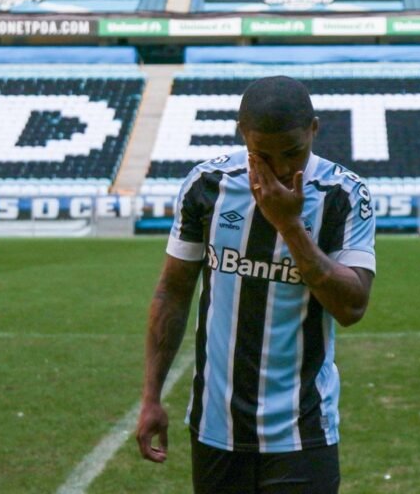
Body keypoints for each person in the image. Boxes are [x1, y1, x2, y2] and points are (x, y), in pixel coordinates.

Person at [136, 76, 376, 494]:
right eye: (262, 155)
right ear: (242, 133)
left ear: (314, 130)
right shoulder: (206, 185)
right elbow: (172, 292)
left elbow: (352, 306)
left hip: (303, 429)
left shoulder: (345, 194)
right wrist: (151, 396)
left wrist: (289, 225)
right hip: (215, 425)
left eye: (293, 152)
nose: (280, 169)